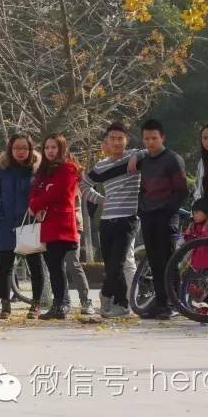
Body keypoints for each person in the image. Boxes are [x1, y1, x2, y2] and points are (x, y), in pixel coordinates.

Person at [126, 119, 188, 319]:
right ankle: (160, 302)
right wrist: (142, 208)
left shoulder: (173, 159)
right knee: (154, 261)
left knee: (168, 260)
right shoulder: (145, 160)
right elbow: (143, 187)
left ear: (162, 137)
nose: (150, 142)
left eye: (154, 138)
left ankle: (173, 303)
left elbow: (181, 190)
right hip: (148, 215)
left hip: (167, 216)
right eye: (146, 138)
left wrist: (168, 211)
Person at [81, 122, 141, 318]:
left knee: (118, 262)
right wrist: (101, 200)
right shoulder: (101, 165)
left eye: (120, 139)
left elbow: (151, 152)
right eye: (112, 139)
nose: (116, 142)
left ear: (127, 140)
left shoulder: (134, 156)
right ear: (106, 142)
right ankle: (118, 304)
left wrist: (137, 157)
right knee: (111, 265)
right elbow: (83, 185)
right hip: (106, 221)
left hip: (128, 219)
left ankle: (111, 298)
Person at [28, 134, 81, 320]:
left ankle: (63, 303)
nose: (50, 151)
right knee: (53, 266)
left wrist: (37, 204)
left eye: (54, 147)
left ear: (61, 148)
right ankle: (59, 303)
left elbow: (60, 193)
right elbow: (34, 193)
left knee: (59, 265)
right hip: (47, 224)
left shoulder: (68, 168)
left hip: (61, 224)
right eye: (47, 147)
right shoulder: (43, 172)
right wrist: (36, 205)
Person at [0, 134, 40, 319]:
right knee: (4, 268)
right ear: (10, 149)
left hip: (29, 224)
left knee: (35, 266)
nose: (20, 151)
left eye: (24, 148)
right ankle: (5, 305)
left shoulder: (36, 171)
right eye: (17, 147)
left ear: (30, 150)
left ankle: (36, 304)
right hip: (7, 225)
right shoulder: (1, 171)